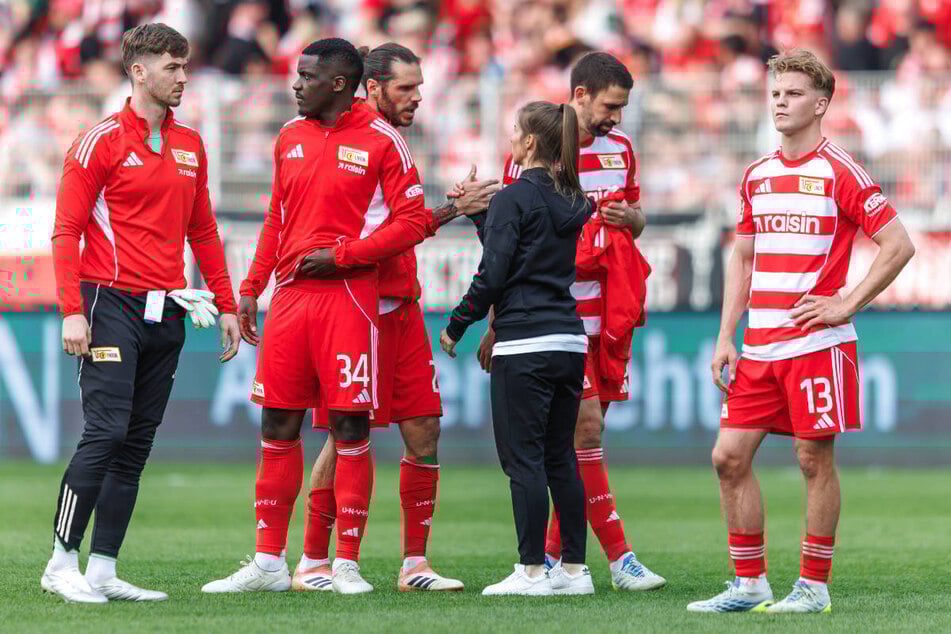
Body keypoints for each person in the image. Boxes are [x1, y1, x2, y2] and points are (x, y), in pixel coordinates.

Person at [201, 37, 438, 596]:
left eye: (305, 76)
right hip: (290, 299)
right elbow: (276, 218)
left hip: (351, 296)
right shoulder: (289, 136)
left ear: (337, 83)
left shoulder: (384, 142)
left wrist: (345, 256)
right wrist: (251, 287)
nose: (295, 84)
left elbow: (411, 222)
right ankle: (267, 562)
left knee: (350, 426)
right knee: (277, 424)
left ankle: (345, 564)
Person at [687, 49, 915, 614]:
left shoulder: (841, 170)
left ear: (821, 103)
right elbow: (743, 258)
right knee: (727, 457)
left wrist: (846, 303)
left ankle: (813, 587)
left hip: (816, 344)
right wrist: (724, 336)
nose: (781, 102)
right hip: (759, 346)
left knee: (814, 461)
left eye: (792, 93)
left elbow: (899, 245)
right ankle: (750, 584)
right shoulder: (757, 176)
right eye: (775, 93)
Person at [44, 23, 241, 603]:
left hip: (170, 311)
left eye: (185, 66)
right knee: (104, 432)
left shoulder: (191, 143)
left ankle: (103, 569)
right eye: (172, 67)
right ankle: (60, 564)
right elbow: (66, 232)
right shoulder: (98, 141)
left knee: (136, 442)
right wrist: (70, 310)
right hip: (108, 304)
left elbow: (203, 229)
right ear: (138, 70)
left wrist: (225, 303)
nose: (182, 77)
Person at [295, 42, 498, 594]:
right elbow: (387, 231)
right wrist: (451, 210)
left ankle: (415, 565)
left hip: (401, 307)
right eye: (407, 88)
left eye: (420, 86)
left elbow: (401, 222)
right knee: (343, 436)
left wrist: (451, 208)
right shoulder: (340, 139)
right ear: (373, 86)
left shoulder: (391, 143)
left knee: (425, 428)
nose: (418, 97)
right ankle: (315, 561)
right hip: (355, 308)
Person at [486, 51, 665, 591]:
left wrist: (630, 218)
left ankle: (555, 563)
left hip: (606, 315)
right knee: (581, 435)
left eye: (623, 108)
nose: (616, 118)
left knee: (578, 440)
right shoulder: (534, 149)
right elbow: (505, 243)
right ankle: (618, 558)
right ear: (580, 95)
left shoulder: (622, 150)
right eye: (610, 105)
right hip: (551, 315)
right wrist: (497, 322)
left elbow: (637, 217)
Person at [440, 101, 595, 596]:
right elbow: (518, 254)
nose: (510, 137)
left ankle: (531, 571)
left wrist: (457, 324)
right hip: (569, 340)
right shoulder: (572, 199)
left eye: (514, 131)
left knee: (522, 460)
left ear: (529, 142)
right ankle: (574, 571)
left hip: (524, 343)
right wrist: (483, 216)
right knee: (560, 459)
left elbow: (495, 273)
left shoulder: (514, 198)